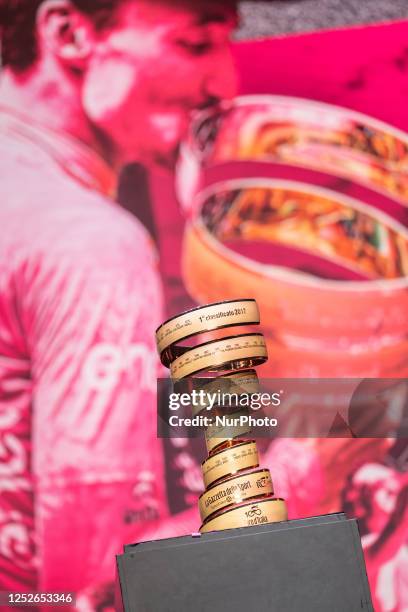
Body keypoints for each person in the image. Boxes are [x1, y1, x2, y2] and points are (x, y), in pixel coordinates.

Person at [0, 0, 238, 602]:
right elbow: (97, 585)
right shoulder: (88, 241)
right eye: (194, 43)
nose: (225, 82)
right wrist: (307, 467)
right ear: (69, 31)